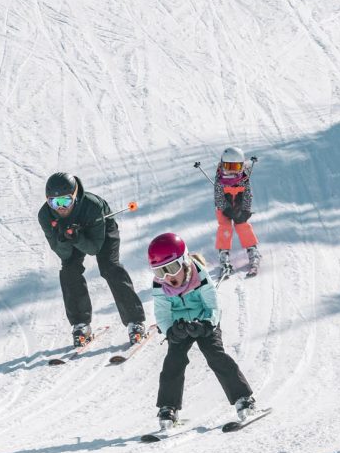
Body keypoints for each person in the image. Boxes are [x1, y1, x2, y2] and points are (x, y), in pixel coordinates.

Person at [147, 232, 257, 429]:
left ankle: (243, 398)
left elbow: (214, 307)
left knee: (215, 355)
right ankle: (168, 408)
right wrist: (171, 331)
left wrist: (206, 324)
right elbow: (162, 315)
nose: (167, 277)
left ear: (184, 262)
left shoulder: (201, 277)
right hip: (179, 325)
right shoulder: (160, 286)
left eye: (171, 268)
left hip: (205, 321)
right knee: (173, 361)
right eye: (159, 272)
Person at [37, 172, 146, 347]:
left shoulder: (92, 206)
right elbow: (63, 254)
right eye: (54, 202)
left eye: (65, 201)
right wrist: (64, 239)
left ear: (75, 196)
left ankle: (135, 321)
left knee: (110, 267)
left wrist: (77, 238)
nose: (60, 208)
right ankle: (81, 324)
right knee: (69, 272)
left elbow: (94, 248)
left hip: (101, 230)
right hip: (72, 235)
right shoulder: (45, 215)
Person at [212, 146, 262, 277]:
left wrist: (245, 211)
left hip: (239, 207)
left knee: (243, 226)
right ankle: (224, 255)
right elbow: (218, 197)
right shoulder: (219, 179)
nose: (231, 171)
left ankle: (253, 251)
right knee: (225, 227)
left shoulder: (244, 179)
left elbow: (247, 195)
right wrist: (226, 209)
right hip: (224, 209)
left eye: (236, 167)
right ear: (222, 165)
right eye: (228, 166)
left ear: (242, 166)